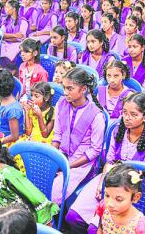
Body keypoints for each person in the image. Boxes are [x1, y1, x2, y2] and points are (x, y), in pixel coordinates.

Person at [67, 93, 145, 232]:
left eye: (133, 114)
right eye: (124, 112)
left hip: (130, 189)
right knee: (73, 216)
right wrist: (102, 182)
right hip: (109, 179)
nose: (127, 118)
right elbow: (109, 161)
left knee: (94, 228)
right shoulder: (117, 131)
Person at [51, 67, 105, 205]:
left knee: (53, 191)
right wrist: (52, 156)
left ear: (83, 89)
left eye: (70, 89)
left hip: (82, 163)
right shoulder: (61, 103)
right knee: (40, 177)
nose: (65, 93)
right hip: (62, 154)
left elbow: (95, 150)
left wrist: (68, 165)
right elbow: (57, 134)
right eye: (64, 88)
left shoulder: (96, 115)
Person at [92, 164, 145, 233]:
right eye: (107, 195)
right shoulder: (103, 207)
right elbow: (101, 227)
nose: (109, 204)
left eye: (118, 199)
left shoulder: (141, 226)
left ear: (135, 198)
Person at [0, 68, 24, 145]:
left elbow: (15, 136)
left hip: (10, 141)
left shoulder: (12, 110)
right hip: (0, 134)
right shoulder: (0, 98)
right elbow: (0, 121)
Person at [0, 0, 28, 70]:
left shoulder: (23, 21)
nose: (5, 9)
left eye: (8, 7)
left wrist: (6, 38)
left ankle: (12, 72)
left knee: (9, 55)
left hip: (17, 44)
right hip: (6, 42)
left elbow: (21, 38)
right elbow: (1, 35)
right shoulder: (5, 20)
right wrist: (14, 35)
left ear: (14, 9)